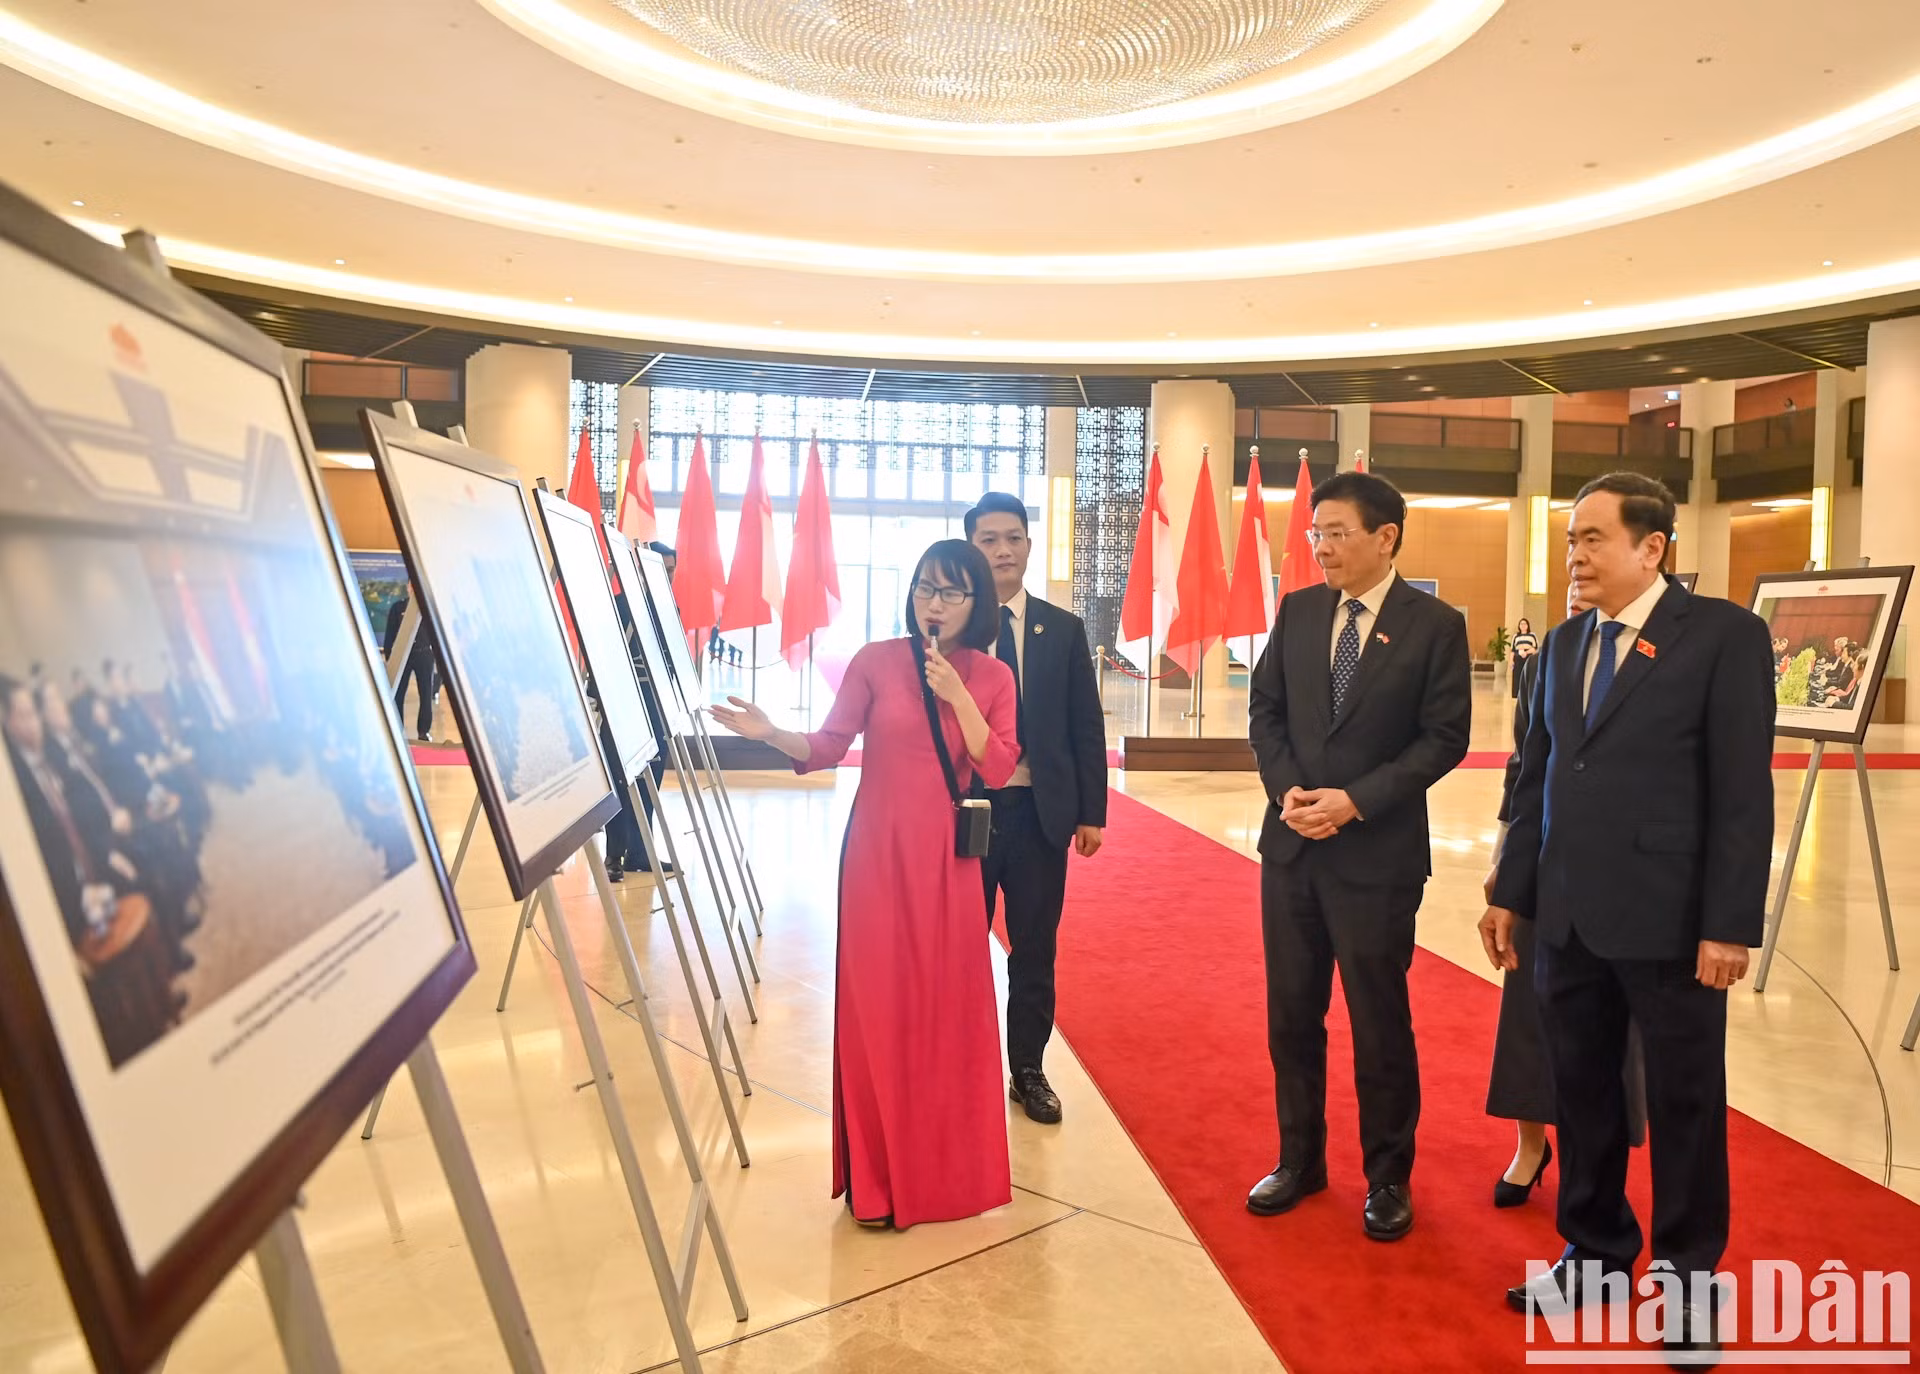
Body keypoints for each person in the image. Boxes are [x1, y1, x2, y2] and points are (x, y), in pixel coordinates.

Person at [1485, 472, 1773, 1360]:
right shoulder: (1563, 644)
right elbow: (1537, 778)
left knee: (1686, 1104)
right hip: (1568, 917)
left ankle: (1689, 1283)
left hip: (1673, 921)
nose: (1574, 556)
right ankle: (1596, 1252)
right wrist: (1511, 893)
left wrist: (1730, 924)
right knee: (1582, 1093)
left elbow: (1741, 793)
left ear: (1652, 548)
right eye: (1570, 539)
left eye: (1593, 539)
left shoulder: (1723, 637)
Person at [711, 540, 1020, 1228]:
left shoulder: (993, 677)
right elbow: (827, 746)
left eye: (950, 592)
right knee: (876, 1010)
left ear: (977, 603)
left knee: (945, 1012)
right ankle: (876, 1182)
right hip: (876, 858)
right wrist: (772, 733)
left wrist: (958, 696)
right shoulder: (876, 661)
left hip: (948, 864)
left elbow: (998, 768)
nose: (933, 603)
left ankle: (942, 1175)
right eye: (924, 588)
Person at [1245, 471, 1472, 1242]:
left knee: (1379, 1022)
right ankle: (1299, 1160)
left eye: (1337, 533)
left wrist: (1355, 800)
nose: (1322, 548)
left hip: (1377, 857)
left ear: (1386, 537)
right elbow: (1267, 711)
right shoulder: (1299, 611)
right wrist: (1288, 791)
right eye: (1317, 534)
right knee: (1291, 1016)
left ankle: (1387, 1176)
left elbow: (1444, 738)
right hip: (1292, 848)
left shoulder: (1434, 625)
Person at [1483, 587, 1646, 1208]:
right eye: (1571, 592)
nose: (1578, 591)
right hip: (1544, 857)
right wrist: (1504, 859)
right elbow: (1524, 766)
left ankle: (1596, 1156)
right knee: (1528, 1010)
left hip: (1629, 871)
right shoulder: (1548, 658)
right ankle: (1530, 1145)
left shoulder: (1662, 657)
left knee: (1608, 1025)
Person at [965, 492, 1108, 1124]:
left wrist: (1091, 811)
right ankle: (960, 1061)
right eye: (989, 539)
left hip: (1039, 813)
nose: (1003, 549)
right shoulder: (952, 628)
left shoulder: (1062, 629)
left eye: (1013, 538)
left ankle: (1028, 1068)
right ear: (972, 548)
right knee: (960, 944)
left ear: (1028, 545)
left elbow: (1085, 725)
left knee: (1035, 947)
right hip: (968, 812)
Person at [382, 589, 441, 743]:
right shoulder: (398, 608)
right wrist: (390, 657)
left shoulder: (428, 608)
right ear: (408, 587)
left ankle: (423, 731)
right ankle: (397, 729)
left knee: (426, 694)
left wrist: (436, 656)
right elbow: (390, 634)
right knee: (398, 693)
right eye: (411, 585)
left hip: (424, 655)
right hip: (404, 654)